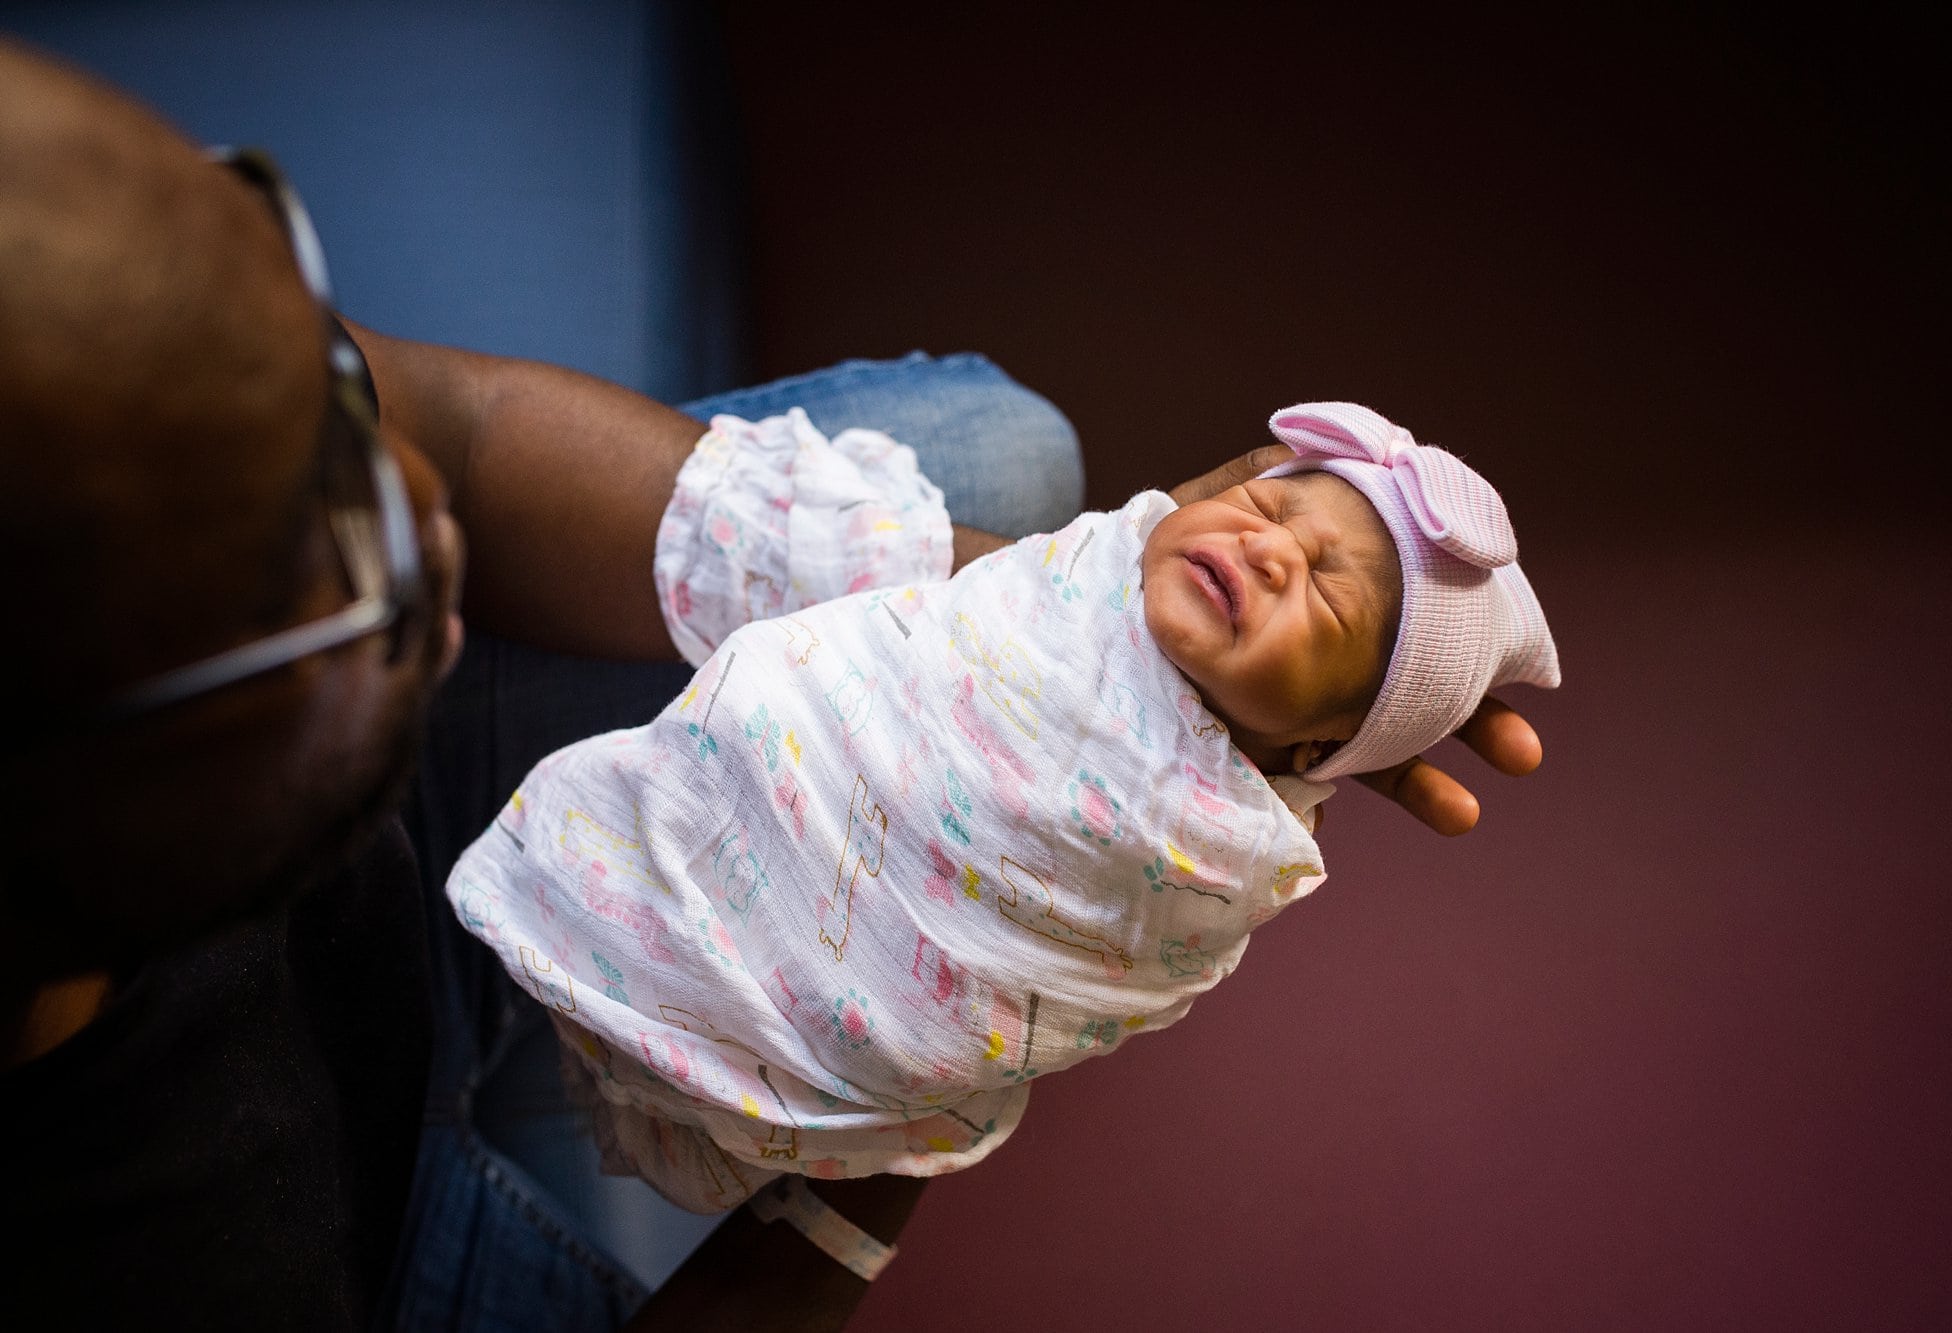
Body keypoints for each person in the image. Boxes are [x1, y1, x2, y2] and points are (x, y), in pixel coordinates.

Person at [0, 38, 1546, 1332]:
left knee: (1008, 456)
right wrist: (932, 1076)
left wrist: (1066, 650)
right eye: (334, 557)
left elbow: (456, 427)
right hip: (379, 1236)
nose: (418, 488)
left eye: (325, 393)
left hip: (364, 883)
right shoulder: (172, 1252)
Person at [443, 401, 1558, 1216]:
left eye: (1323, 593)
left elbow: (1063, 960)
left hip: (807, 1020)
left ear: (1313, 749)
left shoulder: (1216, 851)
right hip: (756, 795)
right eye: (1269, 506)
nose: (1267, 551)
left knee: (1010, 435)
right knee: (1023, 444)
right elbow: (981, 620)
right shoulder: (1089, 571)